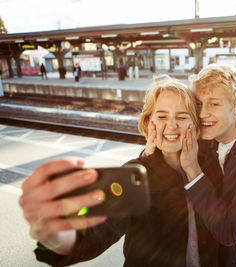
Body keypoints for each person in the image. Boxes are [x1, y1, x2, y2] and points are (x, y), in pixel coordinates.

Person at [19, 76, 218, 266]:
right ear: (149, 122)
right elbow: (98, 232)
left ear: (196, 124)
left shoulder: (213, 164)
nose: (172, 126)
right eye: (162, 116)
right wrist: (58, 233)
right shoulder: (134, 175)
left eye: (182, 117)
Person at [146, 64, 236, 266]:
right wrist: (149, 153)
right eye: (198, 104)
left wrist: (193, 170)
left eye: (214, 104)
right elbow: (171, 151)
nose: (202, 114)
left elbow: (229, 231)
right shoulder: (208, 137)